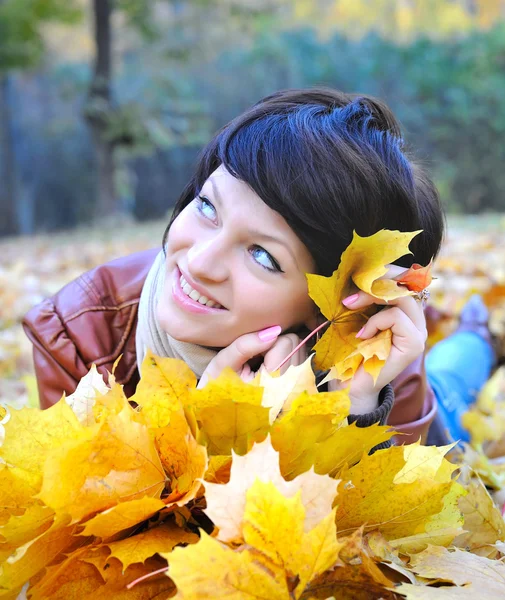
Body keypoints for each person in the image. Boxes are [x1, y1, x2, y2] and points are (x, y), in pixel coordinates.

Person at [23, 87, 445, 444]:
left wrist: (355, 408)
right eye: (207, 206)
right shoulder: (82, 335)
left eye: (263, 255)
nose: (201, 261)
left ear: (339, 303)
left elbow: (399, 529)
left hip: (441, 406)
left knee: (453, 380)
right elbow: (90, 532)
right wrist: (212, 440)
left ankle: (475, 341)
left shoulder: (376, 344)